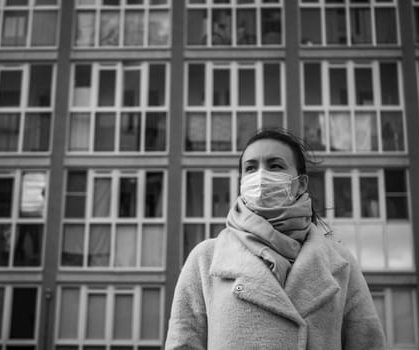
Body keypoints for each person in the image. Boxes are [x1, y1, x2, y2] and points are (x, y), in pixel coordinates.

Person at [165, 128, 386, 349]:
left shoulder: (339, 263)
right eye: (250, 168)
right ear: (241, 181)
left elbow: (367, 343)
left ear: (301, 183)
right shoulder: (206, 259)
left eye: (275, 166)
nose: (260, 176)